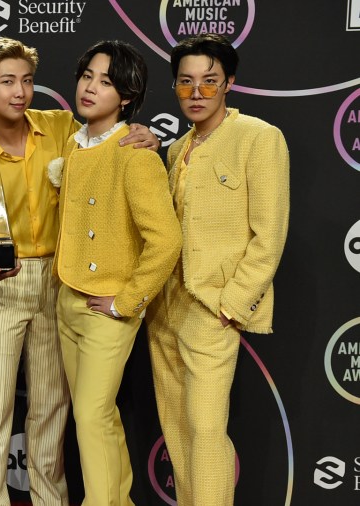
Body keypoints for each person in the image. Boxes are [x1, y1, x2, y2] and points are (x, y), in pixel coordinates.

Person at [0, 36, 159, 506]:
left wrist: (147, 134)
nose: (20, 92)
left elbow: (112, 136)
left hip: (60, 282)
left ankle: (50, 500)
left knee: (52, 411)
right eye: (7, 82)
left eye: (27, 80)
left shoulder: (64, 128)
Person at [146, 33, 289, 506]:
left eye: (209, 81)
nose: (197, 92)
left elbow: (268, 237)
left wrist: (231, 304)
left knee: (207, 433)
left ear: (229, 82)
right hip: (164, 309)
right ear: (175, 88)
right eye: (186, 83)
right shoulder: (174, 150)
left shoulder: (260, 138)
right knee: (178, 431)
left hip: (213, 308)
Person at [54, 40, 181, 506]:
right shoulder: (72, 143)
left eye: (106, 82)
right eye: (87, 75)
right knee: (97, 417)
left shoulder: (134, 153)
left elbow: (166, 241)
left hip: (107, 307)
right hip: (67, 297)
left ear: (126, 96)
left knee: (90, 414)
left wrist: (127, 301)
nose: (90, 87)